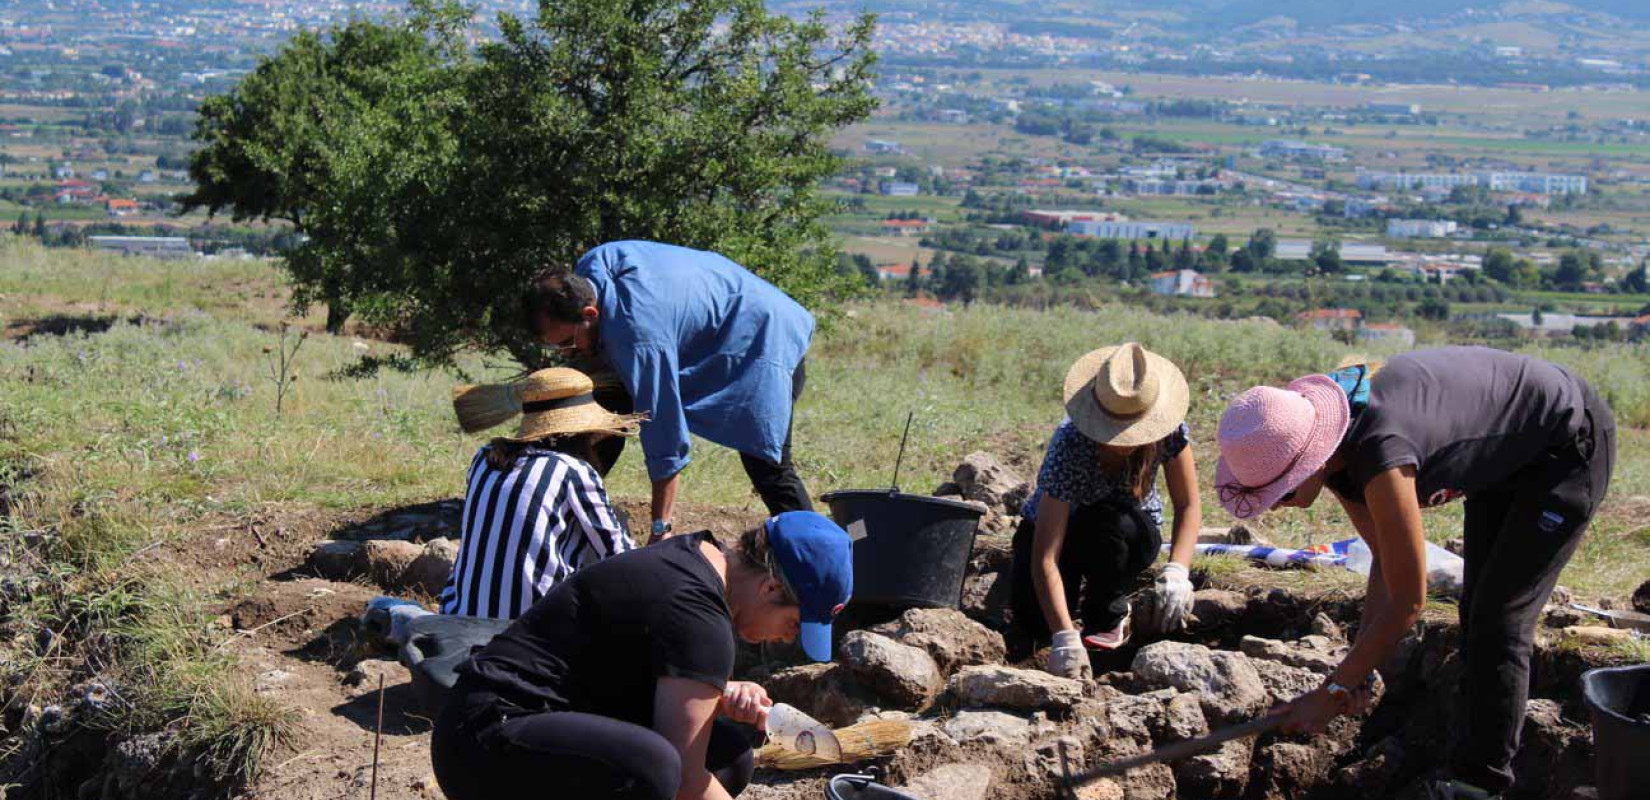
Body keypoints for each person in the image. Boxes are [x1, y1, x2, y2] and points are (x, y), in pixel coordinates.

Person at [1215, 347, 1615, 800]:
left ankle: (1481, 785)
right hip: (1506, 460)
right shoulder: (1340, 453)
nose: (1277, 505)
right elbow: (1385, 560)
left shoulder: (1380, 453)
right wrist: (1357, 672)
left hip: (1564, 442)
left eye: (1281, 492)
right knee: (1476, 612)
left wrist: (1334, 688)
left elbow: (1409, 599)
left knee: (1500, 618)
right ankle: (1472, 764)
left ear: (1312, 459)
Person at [430, 511, 852, 800]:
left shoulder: (698, 558)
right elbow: (686, 782)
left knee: (727, 757)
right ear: (770, 588)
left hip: (516, 723)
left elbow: (629, 660)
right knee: (657, 769)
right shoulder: (701, 618)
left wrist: (715, 693)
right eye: (793, 624)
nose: (785, 639)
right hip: (485, 739)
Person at [524, 241, 815, 542]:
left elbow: (665, 437)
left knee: (768, 467)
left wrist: (660, 527)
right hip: (725, 318)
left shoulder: (638, 338)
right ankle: (562, 505)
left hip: (764, 337)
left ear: (590, 312)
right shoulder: (592, 269)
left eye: (567, 343)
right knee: (601, 414)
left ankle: (816, 553)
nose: (567, 354)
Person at [1011, 343, 1202, 680]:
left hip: (1123, 533)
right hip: (1062, 531)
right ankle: (1069, 614)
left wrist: (1178, 570)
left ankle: (1109, 614)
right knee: (1035, 623)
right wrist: (1063, 636)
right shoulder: (1071, 443)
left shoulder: (1169, 430)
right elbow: (1046, 555)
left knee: (1107, 526)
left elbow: (1187, 504)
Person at [441, 367, 642, 620]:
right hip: (533, 628)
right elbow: (620, 556)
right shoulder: (573, 472)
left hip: (459, 614)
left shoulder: (484, 459)